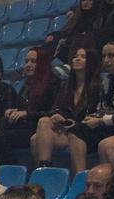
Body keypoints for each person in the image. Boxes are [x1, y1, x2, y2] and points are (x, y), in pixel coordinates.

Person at [34, 45, 101, 173]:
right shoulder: (66, 85)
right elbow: (56, 108)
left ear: (91, 61)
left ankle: (45, 172)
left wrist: (77, 124)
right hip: (65, 127)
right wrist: (57, 115)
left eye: (83, 57)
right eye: (76, 57)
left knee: (35, 138)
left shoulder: (97, 86)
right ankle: (44, 170)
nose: (77, 59)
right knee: (43, 122)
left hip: (83, 131)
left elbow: (95, 114)